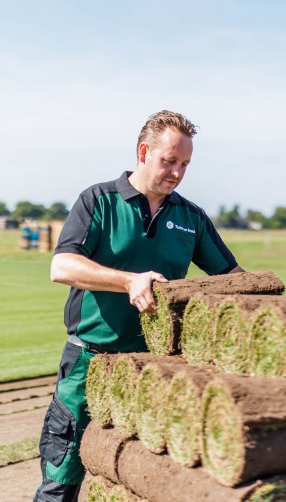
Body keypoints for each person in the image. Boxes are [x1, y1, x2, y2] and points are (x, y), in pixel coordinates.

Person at [34, 110, 244, 501]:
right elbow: (61, 266)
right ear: (143, 152)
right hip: (88, 364)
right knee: (60, 483)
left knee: (146, 481)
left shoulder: (190, 217)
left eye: (185, 165)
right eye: (170, 161)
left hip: (156, 372)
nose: (177, 173)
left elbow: (233, 280)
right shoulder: (99, 200)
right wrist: (129, 280)